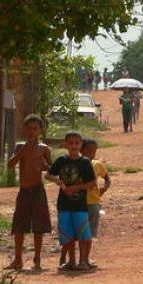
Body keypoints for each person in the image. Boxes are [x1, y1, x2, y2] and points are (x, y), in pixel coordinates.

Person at [45, 131, 97, 272]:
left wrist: (76, 187)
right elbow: (48, 175)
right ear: (66, 144)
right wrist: (60, 184)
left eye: (77, 143)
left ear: (81, 145)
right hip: (64, 204)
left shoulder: (85, 162)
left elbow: (92, 183)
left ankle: (83, 261)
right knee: (67, 235)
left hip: (80, 206)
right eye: (71, 143)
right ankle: (71, 261)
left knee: (82, 234)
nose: (74, 146)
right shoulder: (62, 160)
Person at [6, 114, 52, 271]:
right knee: (19, 224)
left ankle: (37, 259)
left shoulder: (44, 149)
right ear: (24, 129)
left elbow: (52, 169)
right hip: (24, 190)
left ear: (40, 131)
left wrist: (45, 167)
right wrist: (23, 151)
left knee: (39, 225)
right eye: (29, 128)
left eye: (35, 128)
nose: (31, 131)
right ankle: (18, 259)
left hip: (38, 189)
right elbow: (10, 165)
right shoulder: (20, 146)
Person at [59, 139, 111, 267]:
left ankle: (85, 259)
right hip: (76, 204)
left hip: (92, 203)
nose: (92, 154)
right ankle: (70, 260)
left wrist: (104, 188)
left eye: (94, 151)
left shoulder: (97, 164)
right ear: (81, 150)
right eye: (88, 151)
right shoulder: (75, 165)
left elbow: (107, 178)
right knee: (72, 232)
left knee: (88, 234)